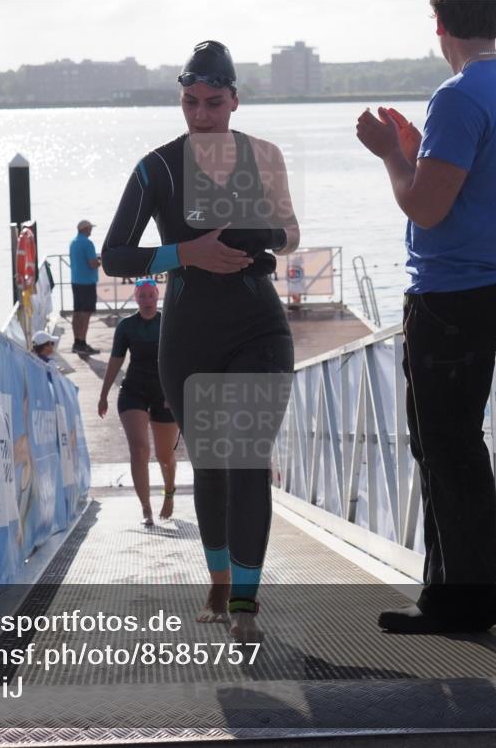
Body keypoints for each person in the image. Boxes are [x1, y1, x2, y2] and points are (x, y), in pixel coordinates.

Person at [101, 40, 300, 642]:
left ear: (235, 100)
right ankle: (218, 585)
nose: (201, 114)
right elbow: (115, 256)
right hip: (188, 335)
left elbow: (291, 232)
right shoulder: (157, 167)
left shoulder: (264, 156)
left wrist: (266, 238)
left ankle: (244, 605)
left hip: (259, 326)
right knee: (211, 465)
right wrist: (186, 251)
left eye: (213, 102)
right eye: (190, 102)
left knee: (246, 460)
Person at [355, 0, 496, 634]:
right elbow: (462, 185)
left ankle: (460, 603)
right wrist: (415, 150)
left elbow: (425, 210)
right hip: (493, 286)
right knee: (457, 446)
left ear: (439, 24)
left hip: (449, 297)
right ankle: (465, 594)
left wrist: (388, 153)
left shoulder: (458, 96)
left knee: (444, 448)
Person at [98, 280, 179, 526]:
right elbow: (115, 360)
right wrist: (103, 396)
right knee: (140, 449)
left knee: (165, 455)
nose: (146, 301)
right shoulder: (126, 326)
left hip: (164, 391)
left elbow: (181, 358)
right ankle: (146, 508)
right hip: (133, 391)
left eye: (150, 296)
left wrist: (174, 392)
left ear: (157, 297)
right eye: (142, 296)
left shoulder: (168, 322)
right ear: (136, 299)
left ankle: (169, 491)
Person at [69, 219, 100, 355]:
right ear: (85, 229)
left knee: (77, 312)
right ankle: (82, 342)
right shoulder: (88, 243)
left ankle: (76, 342)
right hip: (87, 282)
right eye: (90, 228)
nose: (91, 230)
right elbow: (92, 264)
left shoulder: (73, 243)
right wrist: (101, 261)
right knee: (86, 313)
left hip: (76, 281)